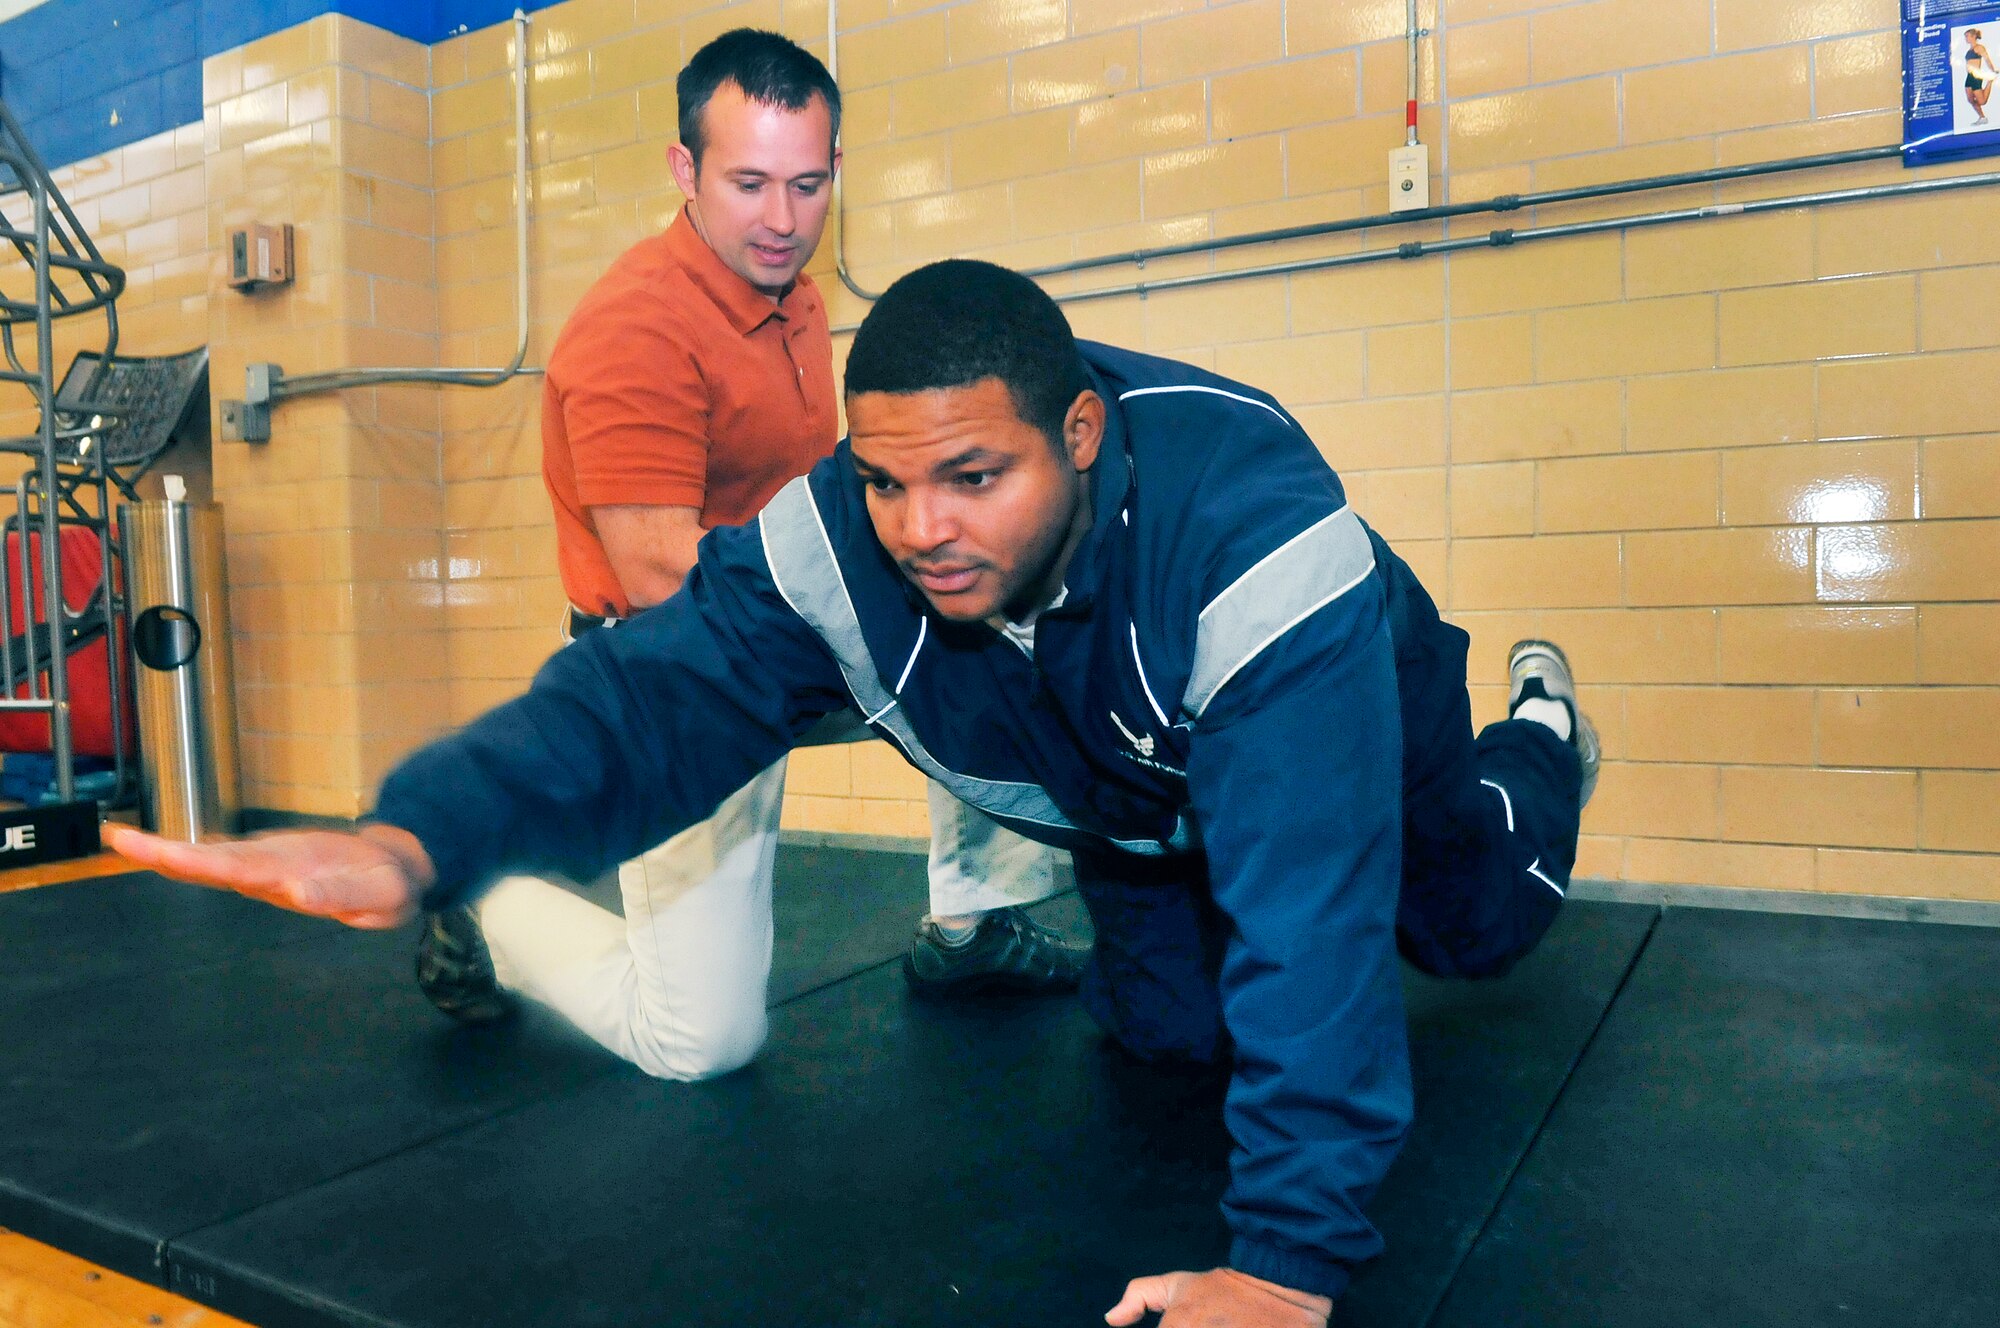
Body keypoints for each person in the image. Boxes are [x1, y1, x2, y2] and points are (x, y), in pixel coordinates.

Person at [113, 260, 1600, 1327]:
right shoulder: (835, 541)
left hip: (1354, 721)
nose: (922, 531)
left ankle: (1542, 731)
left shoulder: (1255, 552)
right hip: (1134, 800)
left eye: (970, 478)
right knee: (1170, 1044)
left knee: (1457, 928)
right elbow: (650, 699)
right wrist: (421, 833)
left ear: (1078, 435)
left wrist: (1286, 1268)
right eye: (887, 482)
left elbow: (1313, 921)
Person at [414, 30, 1082, 1081]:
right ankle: (484, 895)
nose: (782, 220)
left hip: (787, 629)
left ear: (835, 176)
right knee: (700, 1042)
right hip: (684, 660)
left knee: (1000, 621)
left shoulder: (790, 291)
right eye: (749, 183)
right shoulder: (635, 332)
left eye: (807, 184)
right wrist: (869, 611)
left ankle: (969, 927)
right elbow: (659, 578)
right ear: (684, 171)